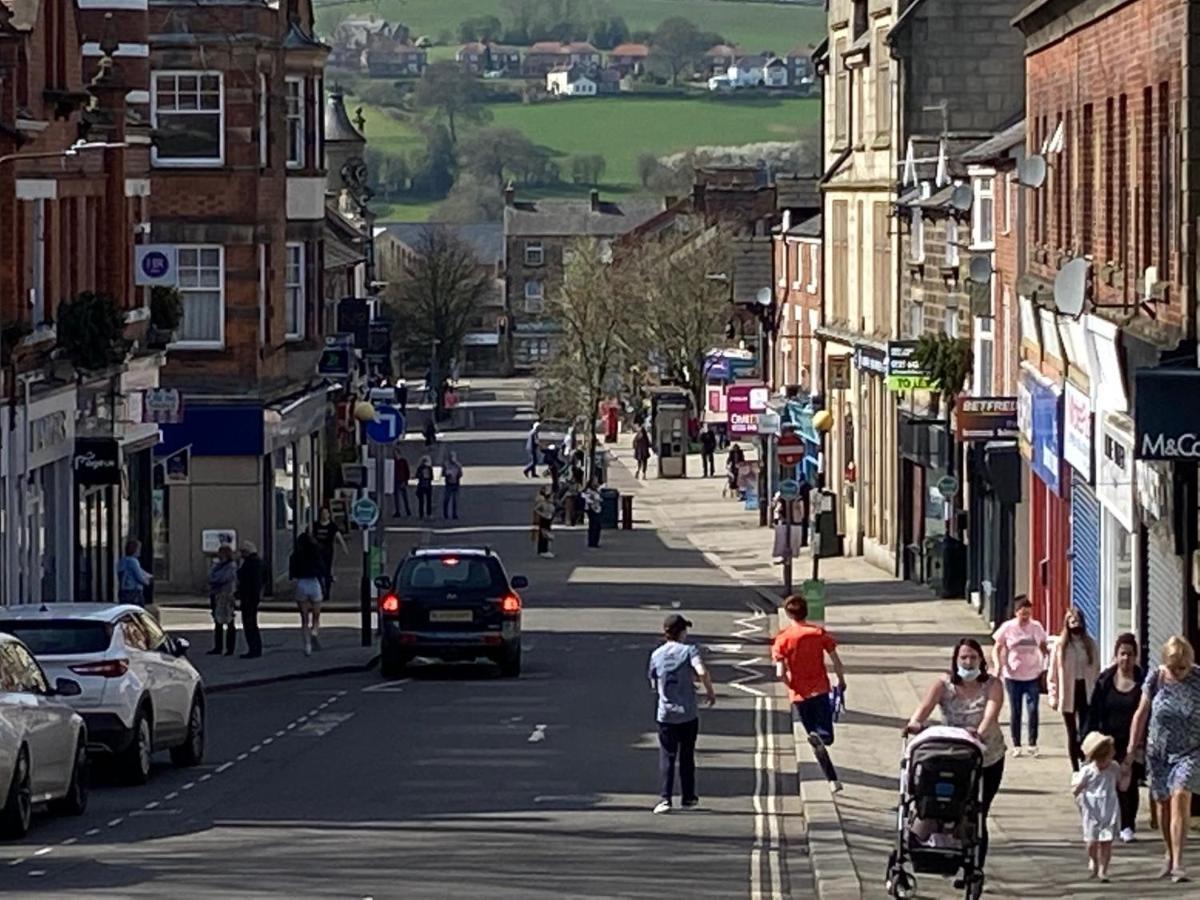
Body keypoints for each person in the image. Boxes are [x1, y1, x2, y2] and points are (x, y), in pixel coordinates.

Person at [906, 637, 1007, 867]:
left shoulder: (992, 685)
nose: (969, 662)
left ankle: (974, 864)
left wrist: (978, 734)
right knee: (944, 805)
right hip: (951, 756)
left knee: (977, 811)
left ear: (981, 660)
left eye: (973, 657)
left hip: (986, 757)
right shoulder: (944, 685)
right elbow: (924, 709)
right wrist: (914, 723)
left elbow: (991, 714)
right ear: (956, 660)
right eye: (964, 657)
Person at [1125, 635, 1200, 882]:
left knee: (1180, 795)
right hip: (1158, 752)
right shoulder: (1156, 678)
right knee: (1164, 804)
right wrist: (1130, 750)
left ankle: (1178, 862)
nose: (1178, 673)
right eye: (1173, 667)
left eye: (1183, 667)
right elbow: (1141, 713)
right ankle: (1169, 854)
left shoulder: (1198, 679)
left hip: (1190, 751)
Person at [772, 593, 846, 792]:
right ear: (806, 611)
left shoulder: (783, 639)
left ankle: (832, 780)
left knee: (814, 738)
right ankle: (824, 747)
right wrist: (841, 681)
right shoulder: (818, 633)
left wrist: (791, 686)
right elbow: (836, 661)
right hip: (821, 689)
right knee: (826, 736)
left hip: (800, 696)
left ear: (788, 614)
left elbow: (779, 673)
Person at [647, 613, 715, 814]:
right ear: (682, 632)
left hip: (665, 714)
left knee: (667, 755)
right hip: (688, 713)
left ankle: (665, 799)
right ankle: (688, 797)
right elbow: (701, 671)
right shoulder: (689, 651)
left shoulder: (656, 655)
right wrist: (709, 691)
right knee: (687, 755)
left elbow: (653, 681)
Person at [1089, 633, 1145, 842]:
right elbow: (1094, 711)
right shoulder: (1105, 681)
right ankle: (1111, 822)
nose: (1126, 659)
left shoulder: (1143, 682)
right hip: (1108, 741)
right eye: (1122, 654)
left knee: (1128, 783)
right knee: (1108, 783)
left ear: (1136, 656)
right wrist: (1090, 736)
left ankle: (1128, 825)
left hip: (1133, 741)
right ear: (1116, 655)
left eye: (1130, 655)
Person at [992, 595, 1049, 757]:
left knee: (1032, 710)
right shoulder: (1008, 627)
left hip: (1032, 674)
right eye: (1022, 614)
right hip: (1013, 675)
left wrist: (1047, 665)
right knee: (1015, 710)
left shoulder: (1036, 627)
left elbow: (1043, 647)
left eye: (1028, 614)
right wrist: (999, 666)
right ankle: (1016, 744)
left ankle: (1032, 743)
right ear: (1016, 612)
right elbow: (997, 648)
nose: (1025, 618)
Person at [1049, 606, 1101, 771]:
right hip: (1068, 690)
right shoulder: (1061, 645)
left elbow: (1097, 668)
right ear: (1067, 623)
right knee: (1072, 732)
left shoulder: (1090, 643)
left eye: (1077, 621)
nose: (1075, 624)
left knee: (1085, 730)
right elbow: (1053, 672)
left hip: (1086, 690)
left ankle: (1084, 757)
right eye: (1072, 621)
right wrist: (1053, 695)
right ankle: (1075, 769)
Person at [1073, 732, 1125, 882]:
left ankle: (1103, 869)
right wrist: (1078, 793)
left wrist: (1126, 775)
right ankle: (1094, 860)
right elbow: (1077, 788)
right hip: (1092, 809)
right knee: (1091, 841)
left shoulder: (1114, 767)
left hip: (1109, 807)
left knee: (1106, 841)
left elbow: (1121, 786)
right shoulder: (1088, 770)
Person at [289, 530, 326, 656]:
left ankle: (307, 646)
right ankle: (315, 631)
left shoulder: (296, 555)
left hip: (301, 583)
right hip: (314, 582)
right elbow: (322, 568)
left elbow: (292, 572)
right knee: (316, 614)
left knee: (304, 618)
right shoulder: (316, 552)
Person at [206, 544, 238, 656]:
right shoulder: (217, 565)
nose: (219, 555)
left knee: (229, 621)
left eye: (221, 552)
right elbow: (210, 576)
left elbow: (224, 578)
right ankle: (218, 647)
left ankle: (230, 648)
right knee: (217, 621)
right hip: (216, 595)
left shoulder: (231, 566)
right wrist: (214, 578)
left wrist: (215, 579)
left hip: (227, 595)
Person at [311, 507, 347, 603]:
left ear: (329, 515)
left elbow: (338, 536)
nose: (324, 515)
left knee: (327, 572)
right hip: (317, 552)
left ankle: (327, 593)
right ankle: (320, 590)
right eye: (323, 513)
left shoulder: (332, 526)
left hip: (328, 551)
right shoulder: (316, 525)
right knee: (318, 572)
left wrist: (344, 547)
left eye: (326, 513)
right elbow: (310, 536)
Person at [236, 541, 265, 659]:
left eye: (242, 552)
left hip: (248, 596)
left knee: (249, 623)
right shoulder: (257, 562)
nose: (241, 554)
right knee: (251, 622)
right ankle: (255, 648)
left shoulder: (250, 563)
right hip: (253, 596)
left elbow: (243, 578)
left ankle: (253, 649)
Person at [117, 539, 153, 607]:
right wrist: (147, 581)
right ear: (135, 550)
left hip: (123, 591)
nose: (139, 551)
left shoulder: (122, 560)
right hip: (133, 591)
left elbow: (141, 571)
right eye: (138, 549)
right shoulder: (133, 561)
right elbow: (139, 576)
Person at [532, 486, 556, 558]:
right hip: (544, 519)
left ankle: (544, 549)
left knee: (546, 534)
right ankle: (543, 550)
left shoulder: (549, 504)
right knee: (544, 535)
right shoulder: (543, 503)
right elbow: (536, 509)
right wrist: (542, 514)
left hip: (548, 518)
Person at [581, 477, 603, 548]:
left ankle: (595, 541)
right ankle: (592, 542)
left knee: (597, 526)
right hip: (592, 509)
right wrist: (593, 501)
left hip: (597, 509)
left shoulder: (596, 490)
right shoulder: (589, 491)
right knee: (594, 526)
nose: (596, 483)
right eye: (595, 481)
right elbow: (587, 499)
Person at [442, 451, 463, 519]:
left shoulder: (458, 465)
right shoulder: (446, 464)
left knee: (455, 500)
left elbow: (460, 474)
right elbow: (442, 474)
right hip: (448, 484)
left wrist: (457, 474)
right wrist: (447, 474)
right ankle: (445, 514)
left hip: (455, 484)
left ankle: (454, 514)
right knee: (446, 499)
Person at [392, 450, 411, 518]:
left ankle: (408, 511)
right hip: (396, 481)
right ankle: (398, 511)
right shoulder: (394, 462)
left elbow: (407, 471)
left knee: (404, 497)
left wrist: (406, 481)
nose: (395, 455)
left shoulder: (403, 461)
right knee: (397, 498)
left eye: (396, 454)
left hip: (402, 481)